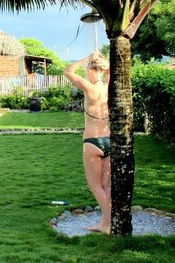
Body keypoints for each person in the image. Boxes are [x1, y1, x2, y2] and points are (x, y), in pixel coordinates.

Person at [64, 51, 111, 234]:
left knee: (95, 186)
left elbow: (67, 71)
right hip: (108, 140)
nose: (86, 74)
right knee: (106, 187)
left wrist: (86, 58)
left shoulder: (90, 88)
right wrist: (102, 63)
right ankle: (104, 223)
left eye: (87, 70)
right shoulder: (109, 87)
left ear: (92, 69)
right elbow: (110, 71)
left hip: (93, 142)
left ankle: (110, 224)